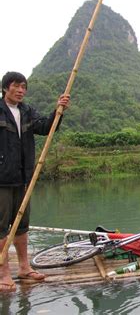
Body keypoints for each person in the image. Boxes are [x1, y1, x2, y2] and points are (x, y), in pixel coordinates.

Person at [0, 71, 70, 292]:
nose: (21, 90)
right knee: (1, 228)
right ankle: (3, 273)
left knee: (21, 226)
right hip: (2, 180)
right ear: (5, 88)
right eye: (17, 86)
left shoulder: (27, 111)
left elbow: (46, 127)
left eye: (24, 87)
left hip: (23, 179)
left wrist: (58, 110)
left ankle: (23, 267)